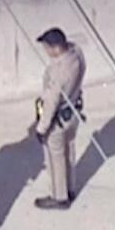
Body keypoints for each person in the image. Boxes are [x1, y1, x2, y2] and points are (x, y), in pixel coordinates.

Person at [34, 27, 86, 210]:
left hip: (58, 119)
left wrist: (41, 128)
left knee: (55, 159)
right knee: (69, 151)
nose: (46, 52)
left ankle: (59, 197)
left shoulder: (59, 73)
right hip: (73, 113)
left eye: (47, 48)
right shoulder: (76, 55)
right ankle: (70, 188)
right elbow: (74, 48)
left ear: (56, 48)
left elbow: (50, 103)